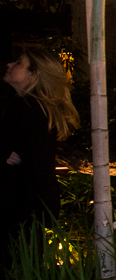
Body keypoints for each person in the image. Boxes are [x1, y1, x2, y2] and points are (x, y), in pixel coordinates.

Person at [1, 48, 80, 268]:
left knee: (13, 267)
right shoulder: (40, 108)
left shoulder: (25, 107)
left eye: (18, 62)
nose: (9, 65)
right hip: (35, 201)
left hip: (18, 203)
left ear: (33, 74)